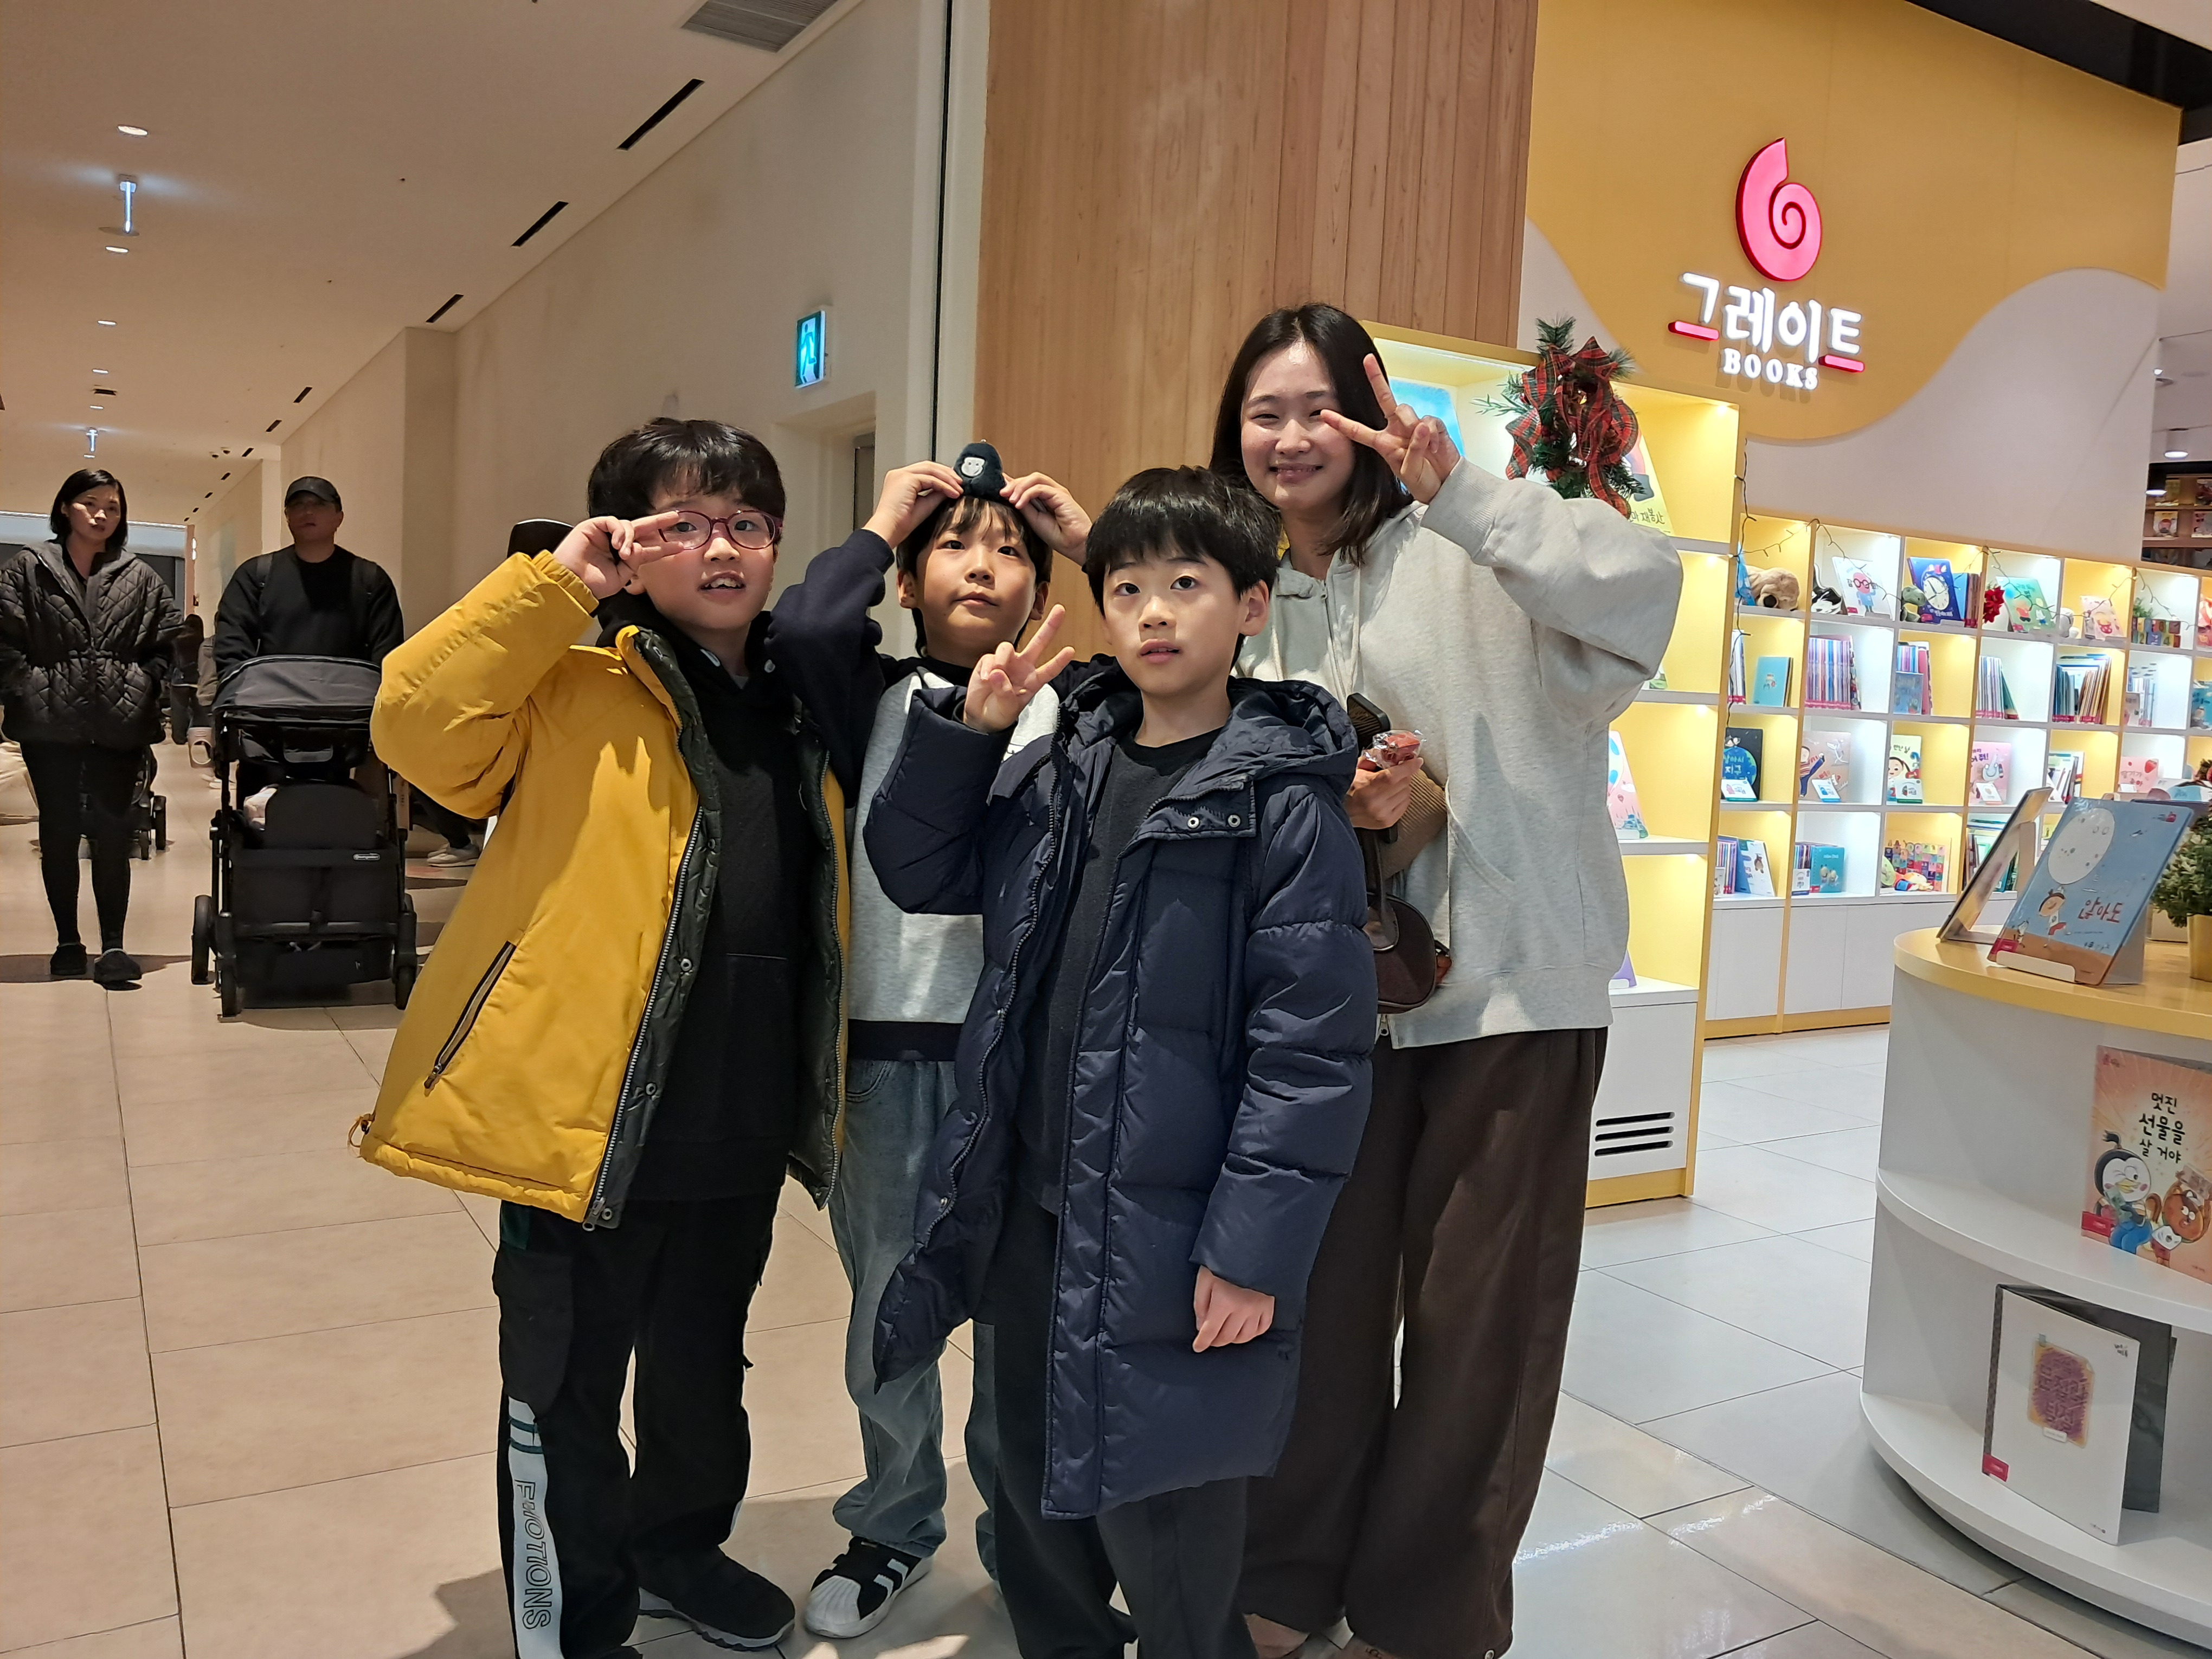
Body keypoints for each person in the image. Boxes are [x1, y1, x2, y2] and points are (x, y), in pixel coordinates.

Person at [355, 418, 954, 1659]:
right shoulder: (570, 681)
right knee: (564, 1389)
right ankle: (572, 1624)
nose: (721, 549)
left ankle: (678, 1548)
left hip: (738, 1117)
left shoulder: (798, 704)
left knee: (700, 1369)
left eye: (746, 523)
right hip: (582, 1128)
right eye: (682, 524)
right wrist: (557, 585)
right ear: (628, 542)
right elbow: (415, 723)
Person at [1212, 304, 1681, 1659]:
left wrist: (1462, 493)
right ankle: (1288, 1573)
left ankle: (1425, 1616)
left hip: (1511, 998)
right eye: (1262, 413)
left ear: (1370, 411)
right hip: (1327, 1012)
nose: (1291, 437)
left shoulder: (1477, 543)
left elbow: (1645, 590)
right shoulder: (1249, 598)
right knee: (1317, 1310)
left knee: (1482, 1330)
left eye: (1317, 407)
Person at [866, 466, 1375, 1659]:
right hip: (1033, 1206)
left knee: (1173, 1522)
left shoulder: (1285, 802)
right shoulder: (1066, 762)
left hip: (1177, 1231)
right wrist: (969, 737)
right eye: (1129, 588)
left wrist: (1250, 1251)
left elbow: (1311, 1053)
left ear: (1251, 606)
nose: (1153, 614)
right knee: (1033, 1496)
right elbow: (917, 870)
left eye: (1187, 585)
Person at [805, 441, 1092, 1640]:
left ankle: (1023, 1543)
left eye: (1011, 552)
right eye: (955, 548)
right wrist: (885, 519)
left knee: (1023, 1324)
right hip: (888, 1059)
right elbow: (806, 627)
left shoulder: (1082, 706)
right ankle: (893, 1522)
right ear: (910, 584)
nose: (983, 566)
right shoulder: (871, 694)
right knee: (890, 1305)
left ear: (1041, 587)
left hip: (1022, 1064)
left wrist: (1090, 543)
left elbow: (1200, 647)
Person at [0, 468, 181, 986]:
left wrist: (145, 683)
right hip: (48, 719)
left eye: (113, 507)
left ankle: (115, 946)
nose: (101, 515)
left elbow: (167, 641)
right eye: (90, 503)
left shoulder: (138, 575)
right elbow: (4, 637)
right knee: (58, 830)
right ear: (65, 508)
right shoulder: (29, 568)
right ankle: (67, 941)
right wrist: (25, 686)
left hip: (119, 720)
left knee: (113, 829)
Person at [211, 475, 403, 677]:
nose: (308, 512)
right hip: (271, 694)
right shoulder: (255, 576)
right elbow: (232, 649)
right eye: (298, 505)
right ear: (288, 517)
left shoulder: (370, 580)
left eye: (319, 504)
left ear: (339, 518)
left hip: (351, 695)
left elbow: (388, 656)